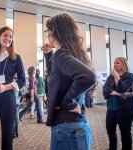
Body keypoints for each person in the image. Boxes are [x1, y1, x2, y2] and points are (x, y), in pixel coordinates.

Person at [41, 13, 96, 150]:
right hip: (75, 123)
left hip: (66, 127)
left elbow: (88, 77)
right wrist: (49, 56)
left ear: (53, 32)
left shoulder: (62, 55)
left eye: (48, 31)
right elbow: (58, 78)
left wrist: (67, 102)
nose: (47, 34)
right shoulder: (72, 54)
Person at [103, 57, 133, 150]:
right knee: (110, 130)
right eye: (114, 63)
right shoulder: (110, 77)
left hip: (125, 109)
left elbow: (123, 88)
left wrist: (116, 76)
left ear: (123, 64)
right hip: (111, 108)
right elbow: (105, 90)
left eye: (117, 63)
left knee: (125, 133)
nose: (114, 64)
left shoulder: (129, 76)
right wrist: (119, 94)